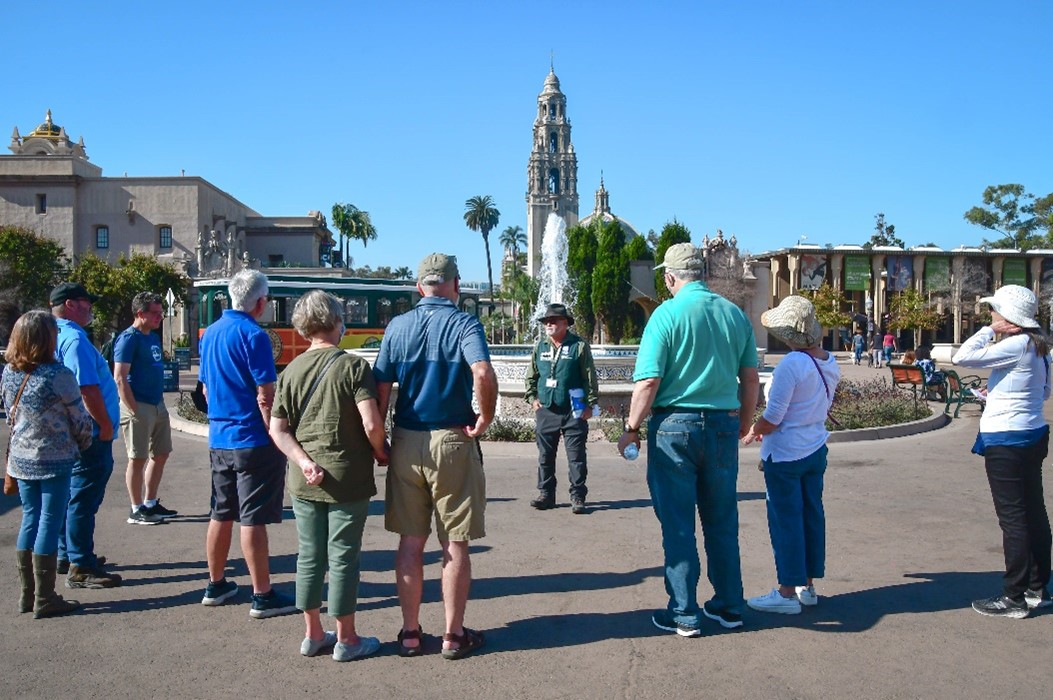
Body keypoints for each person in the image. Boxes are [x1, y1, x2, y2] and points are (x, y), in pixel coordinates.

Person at [616, 243, 760, 636]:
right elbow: (750, 380)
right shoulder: (734, 315)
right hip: (722, 426)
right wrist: (744, 424)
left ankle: (684, 612)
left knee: (678, 524)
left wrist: (630, 427)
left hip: (674, 428)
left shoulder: (665, 315)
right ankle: (729, 605)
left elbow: (648, 381)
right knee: (722, 521)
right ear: (704, 274)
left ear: (670, 277)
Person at [374, 253, 497, 660]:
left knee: (411, 542)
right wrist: (485, 417)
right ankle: (452, 634)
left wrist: (381, 440)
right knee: (454, 543)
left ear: (418, 287)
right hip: (452, 440)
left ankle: (410, 633)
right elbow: (481, 371)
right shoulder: (464, 323)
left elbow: (382, 387)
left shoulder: (398, 326)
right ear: (455, 285)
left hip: (408, 438)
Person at [269, 291, 388, 661]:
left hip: (303, 480)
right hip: (346, 477)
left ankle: (313, 633)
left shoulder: (290, 371)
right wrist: (382, 451)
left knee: (308, 556)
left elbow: (278, 430)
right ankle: (347, 639)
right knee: (343, 558)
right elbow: (371, 422)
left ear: (304, 328)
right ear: (337, 322)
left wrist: (304, 462)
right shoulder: (353, 367)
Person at [198, 269, 296, 619]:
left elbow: (206, 389)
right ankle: (262, 594)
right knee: (253, 517)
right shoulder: (255, 336)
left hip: (219, 438)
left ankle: (216, 583)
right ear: (261, 302)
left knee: (221, 511)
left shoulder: (210, 334)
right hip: (252, 438)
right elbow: (266, 394)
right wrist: (276, 433)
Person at [952, 284, 1052, 618]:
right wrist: (998, 393)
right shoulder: (1041, 347)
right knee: (1034, 512)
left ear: (1008, 318)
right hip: (1032, 433)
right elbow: (1044, 390)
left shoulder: (1015, 344)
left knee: (1013, 519)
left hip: (1007, 439)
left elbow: (961, 356)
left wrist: (986, 331)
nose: (991, 316)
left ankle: (1014, 597)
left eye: (994, 312)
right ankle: (1039, 587)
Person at [742, 296, 840, 614]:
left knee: (786, 521)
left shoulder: (791, 365)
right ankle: (807, 586)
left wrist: (753, 430)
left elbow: (774, 417)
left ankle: (785, 593)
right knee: (812, 516)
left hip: (786, 455)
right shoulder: (829, 360)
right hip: (815, 448)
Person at [3, 311, 93, 618]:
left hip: (21, 458)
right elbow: (80, 419)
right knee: (50, 521)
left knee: (30, 517)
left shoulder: (10, 372)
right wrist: (85, 443)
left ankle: (27, 595)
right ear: (47, 338)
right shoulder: (59, 375)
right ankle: (46, 597)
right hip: (54, 458)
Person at [51, 282, 122, 589]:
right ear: (70, 304)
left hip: (69, 430)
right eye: (85, 302)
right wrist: (104, 425)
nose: (90, 307)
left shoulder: (52, 334)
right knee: (83, 497)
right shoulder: (75, 339)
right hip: (89, 431)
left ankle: (69, 554)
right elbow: (86, 387)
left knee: (71, 495)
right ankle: (81, 565)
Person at [524, 302, 599, 514]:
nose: (549, 324)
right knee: (545, 456)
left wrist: (590, 404)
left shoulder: (579, 346)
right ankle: (546, 494)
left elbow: (589, 377)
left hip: (573, 409)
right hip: (546, 408)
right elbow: (532, 375)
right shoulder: (541, 346)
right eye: (547, 321)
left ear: (565, 323)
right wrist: (533, 400)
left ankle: (578, 496)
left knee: (576, 456)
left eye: (553, 320)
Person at [114, 292, 176, 524]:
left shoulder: (152, 337)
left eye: (161, 312)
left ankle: (150, 503)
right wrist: (132, 408)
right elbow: (120, 377)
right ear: (140, 314)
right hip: (138, 405)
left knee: (161, 453)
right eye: (155, 313)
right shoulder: (128, 339)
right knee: (137, 458)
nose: (160, 317)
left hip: (156, 403)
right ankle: (135, 508)